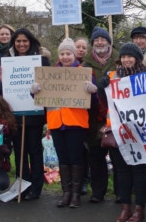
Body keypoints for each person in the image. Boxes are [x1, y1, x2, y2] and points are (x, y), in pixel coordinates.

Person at [31, 38, 97, 208]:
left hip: (76, 122)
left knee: (76, 158)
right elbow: (41, 97)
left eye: (68, 53)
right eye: (62, 53)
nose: (65, 56)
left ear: (74, 55)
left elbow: (94, 101)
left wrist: (93, 91)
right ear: (59, 55)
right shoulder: (51, 74)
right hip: (56, 122)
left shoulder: (84, 73)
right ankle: (66, 192)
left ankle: (75, 194)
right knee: (63, 158)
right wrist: (34, 91)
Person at [97, 43, 146, 222]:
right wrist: (101, 89)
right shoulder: (112, 76)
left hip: (138, 132)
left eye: (130, 56)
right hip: (117, 131)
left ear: (137, 58)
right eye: (124, 56)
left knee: (139, 170)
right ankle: (125, 207)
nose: (126, 60)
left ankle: (139, 209)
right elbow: (104, 104)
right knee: (122, 171)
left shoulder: (145, 77)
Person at [8, 28, 50, 200]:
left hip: (35, 113)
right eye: (18, 41)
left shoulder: (41, 60)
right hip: (15, 113)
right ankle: (22, 184)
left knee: (34, 150)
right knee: (19, 151)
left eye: (25, 41)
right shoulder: (8, 61)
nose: (21, 44)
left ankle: (36, 186)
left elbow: (48, 86)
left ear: (31, 41)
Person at [80, 26, 118, 203]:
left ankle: (121, 192)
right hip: (94, 117)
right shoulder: (85, 65)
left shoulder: (119, 59)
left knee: (118, 156)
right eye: (96, 40)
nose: (100, 43)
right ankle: (98, 192)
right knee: (95, 157)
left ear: (109, 42)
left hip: (116, 116)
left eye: (103, 39)